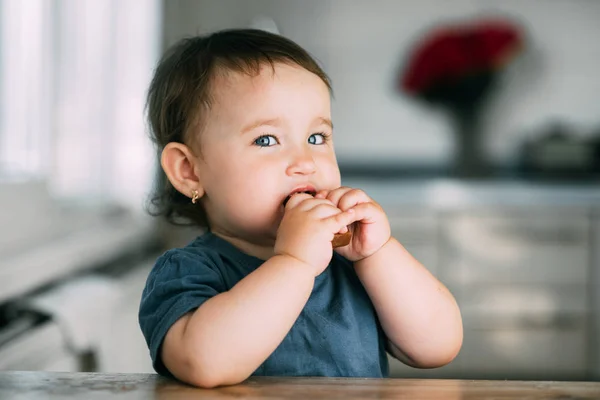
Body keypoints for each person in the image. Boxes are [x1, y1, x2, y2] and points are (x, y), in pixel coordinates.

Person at [138, 28, 463, 388]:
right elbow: (204, 363)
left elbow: (438, 347)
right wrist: (295, 264)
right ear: (189, 171)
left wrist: (380, 253)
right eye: (266, 140)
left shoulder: (350, 265)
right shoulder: (188, 272)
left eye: (316, 137)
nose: (305, 161)